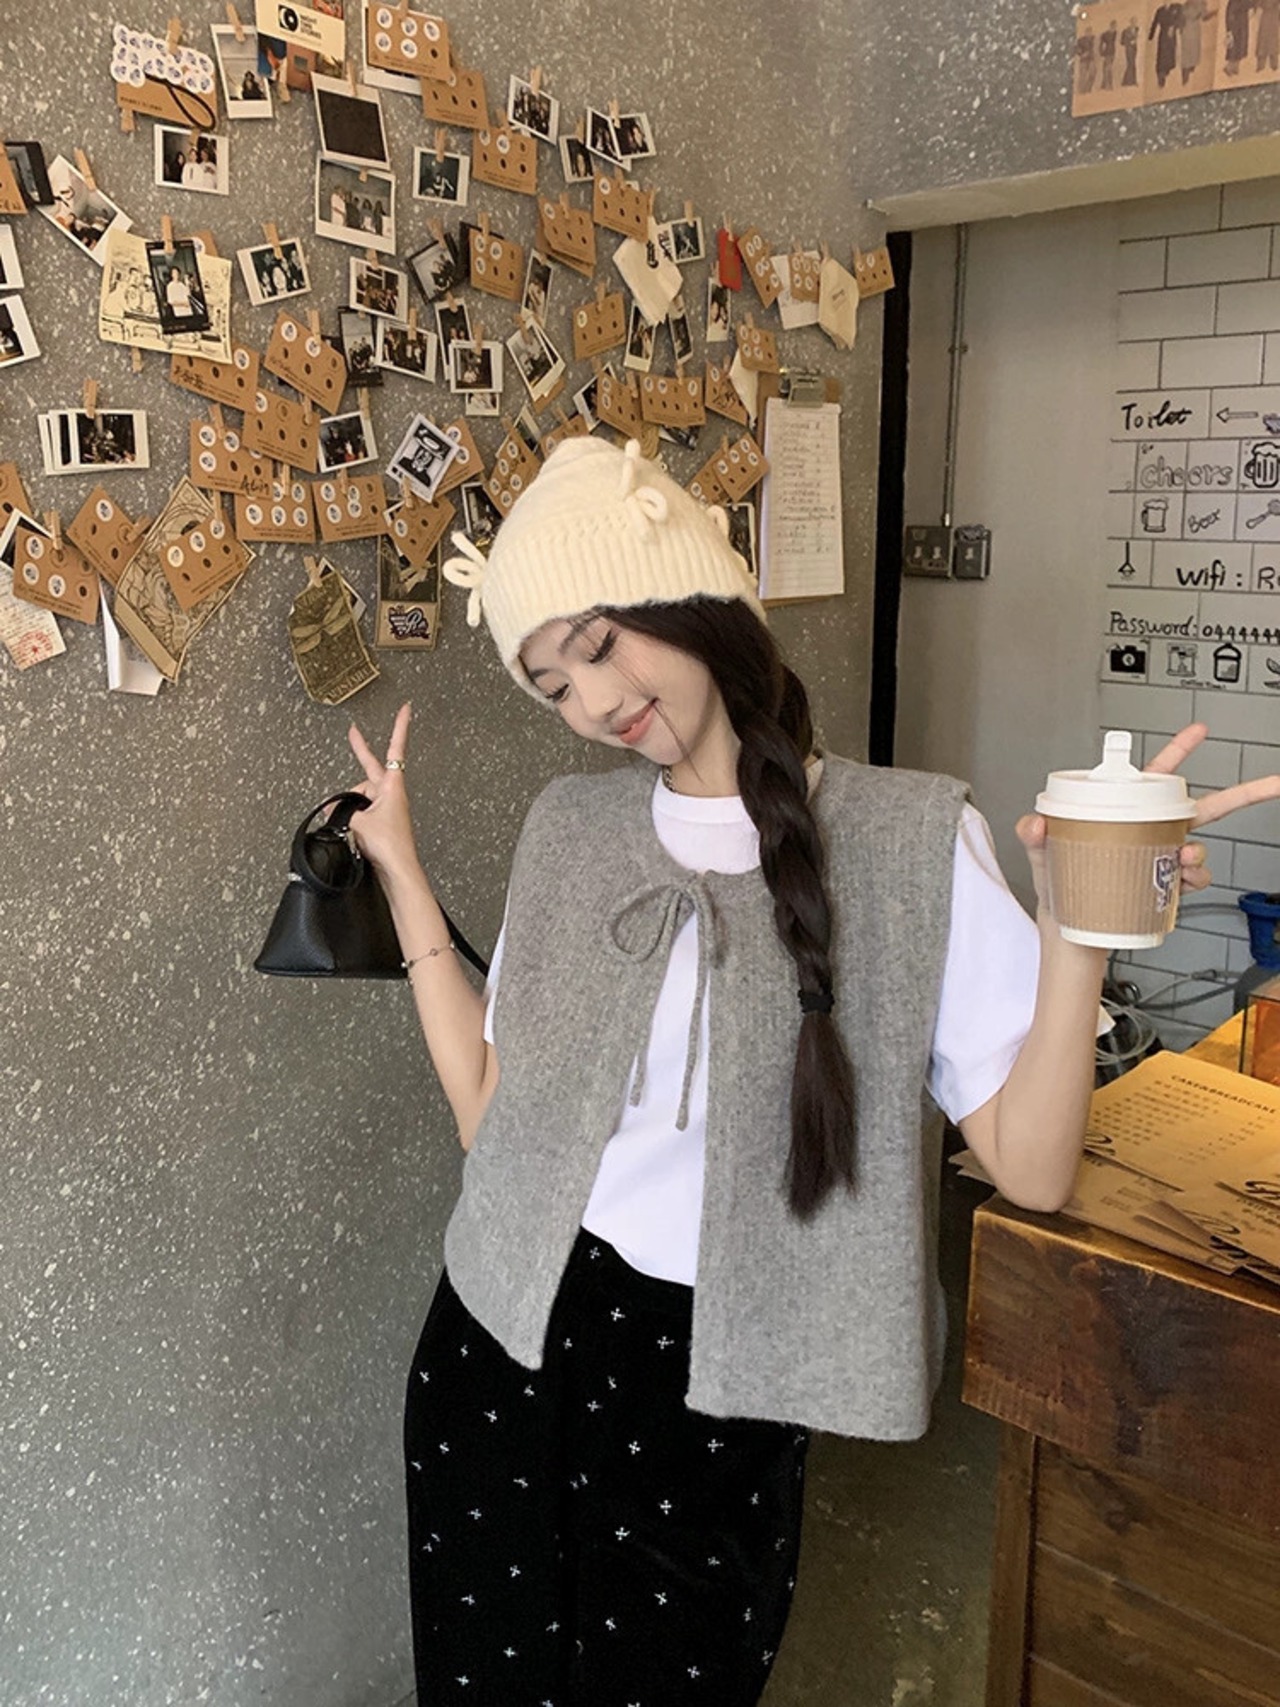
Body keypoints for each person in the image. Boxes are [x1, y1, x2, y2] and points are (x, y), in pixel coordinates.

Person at [344, 437, 1278, 1706]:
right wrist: (402, 872)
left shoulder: (906, 839)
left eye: (601, 643)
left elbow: (1030, 1168)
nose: (594, 701)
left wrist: (1076, 928)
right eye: (552, 681)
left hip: (717, 1380)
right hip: (494, 1335)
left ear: (688, 596)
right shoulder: (568, 830)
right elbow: (487, 1120)